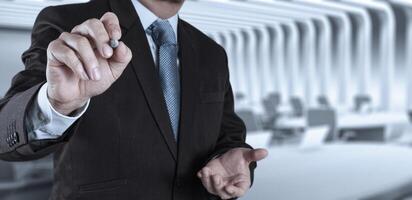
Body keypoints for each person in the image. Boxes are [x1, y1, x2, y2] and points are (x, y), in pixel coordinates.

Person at [0, 0, 268, 199]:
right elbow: (3, 134)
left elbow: (227, 134)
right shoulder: (71, 22)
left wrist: (230, 157)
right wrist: (56, 104)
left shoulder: (211, 52)